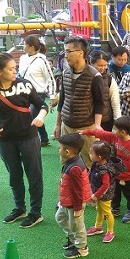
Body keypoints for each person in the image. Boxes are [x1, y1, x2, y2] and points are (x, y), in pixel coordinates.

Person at [0, 52, 48, 227]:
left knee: (34, 175)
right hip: (5, 139)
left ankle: (35, 212)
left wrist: (40, 117)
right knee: (14, 175)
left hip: (28, 137)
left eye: (15, 68)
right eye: (11, 69)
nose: (15, 71)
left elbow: (42, 104)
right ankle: (20, 208)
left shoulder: (24, 84)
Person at [82, 116, 130, 224]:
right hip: (114, 174)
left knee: (129, 195)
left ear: (123, 132)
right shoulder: (114, 137)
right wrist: (87, 132)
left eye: (115, 129)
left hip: (127, 176)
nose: (113, 130)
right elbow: (102, 133)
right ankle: (115, 208)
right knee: (115, 192)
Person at [54, 36, 105, 168]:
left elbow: (99, 102)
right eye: (65, 51)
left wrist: (97, 125)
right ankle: (66, 181)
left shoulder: (94, 76)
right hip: (66, 125)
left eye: (68, 51)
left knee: (90, 163)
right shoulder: (65, 73)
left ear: (80, 53)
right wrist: (58, 124)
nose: (65, 55)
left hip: (86, 128)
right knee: (65, 161)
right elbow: (62, 100)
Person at [55, 133, 92, 259]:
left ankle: (82, 248)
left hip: (74, 204)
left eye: (59, 147)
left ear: (67, 152)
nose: (58, 149)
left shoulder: (74, 168)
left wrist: (77, 208)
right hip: (67, 201)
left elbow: (77, 191)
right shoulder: (71, 161)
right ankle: (73, 239)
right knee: (60, 218)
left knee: (77, 227)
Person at [18, 34, 57, 147]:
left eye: (24, 44)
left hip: (38, 94)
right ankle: (44, 138)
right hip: (23, 92)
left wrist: (52, 96)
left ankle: (30, 141)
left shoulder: (42, 60)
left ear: (31, 47)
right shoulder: (22, 58)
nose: (23, 46)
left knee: (31, 116)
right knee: (33, 116)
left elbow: (50, 79)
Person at [86, 140, 125, 244]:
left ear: (99, 157)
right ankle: (98, 227)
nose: (89, 155)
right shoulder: (96, 164)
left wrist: (96, 195)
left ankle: (110, 232)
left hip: (104, 195)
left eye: (91, 153)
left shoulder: (105, 171)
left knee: (107, 212)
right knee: (99, 209)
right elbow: (90, 174)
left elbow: (105, 185)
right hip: (97, 192)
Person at [89, 51, 122, 132]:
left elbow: (115, 102)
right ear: (91, 63)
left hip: (105, 121)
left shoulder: (109, 80)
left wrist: (118, 122)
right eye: (100, 65)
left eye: (105, 65)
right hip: (88, 121)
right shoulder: (86, 78)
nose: (103, 68)